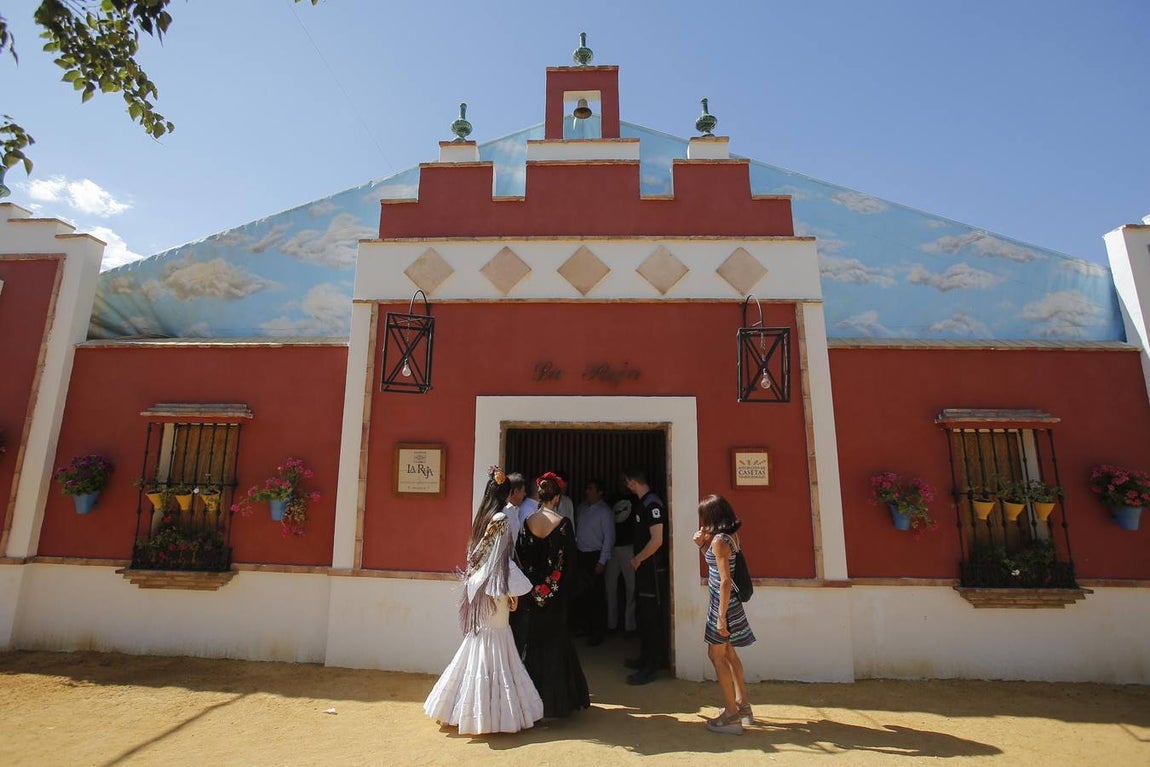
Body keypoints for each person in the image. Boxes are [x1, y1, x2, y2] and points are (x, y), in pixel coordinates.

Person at [423, 467, 544, 734]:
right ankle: (493, 714)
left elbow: (477, 557)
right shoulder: (500, 518)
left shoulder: (484, 517)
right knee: (496, 643)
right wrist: (508, 590)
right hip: (494, 590)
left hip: (481, 588)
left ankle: (459, 709)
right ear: (506, 493)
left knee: (479, 644)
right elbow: (495, 559)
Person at [516, 471, 590, 718]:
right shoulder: (563, 525)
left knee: (533, 643)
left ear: (539, 494)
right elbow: (569, 565)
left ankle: (530, 700)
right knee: (556, 643)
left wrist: (533, 587)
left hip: (532, 593)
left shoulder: (527, 523)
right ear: (557, 498)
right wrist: (557, 588)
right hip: (555, 597)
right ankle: (557, 702)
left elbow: (520, 558)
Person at [694, 494, 756, 735]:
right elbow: (717, 566)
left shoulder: (719, 540)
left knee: (716, 655)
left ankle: (731, 715)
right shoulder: (730, 536)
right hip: (730, 605)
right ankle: (742, 705)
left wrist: (721, 616)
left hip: (722, 606)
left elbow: (725, 580)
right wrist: (701, 545)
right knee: (729, 653)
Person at [623, 466, 668, 686]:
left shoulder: (652, 504)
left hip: (652, 571)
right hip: (644, 571)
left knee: (651, 619)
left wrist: (638, 558)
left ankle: (651, 667)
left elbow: (657, 539)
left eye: (627, 481)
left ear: (633, 481)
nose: (626, 485)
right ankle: (645, 660)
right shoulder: (644, 503)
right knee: (643, 614)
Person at [573, 478, 614, 646]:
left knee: (596, 596)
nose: (587, 491)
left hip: (595, 557)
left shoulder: (605, 512)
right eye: (587, 488)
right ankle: (585, 627)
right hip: (581, 555)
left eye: (591, 489)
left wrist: (602, 561)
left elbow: (609, 538)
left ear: (600, 493)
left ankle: (598, 632)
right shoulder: (582, 508)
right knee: (582, 594)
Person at [605, 475, 637, 634]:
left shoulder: (635, 499)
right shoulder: (611, 500)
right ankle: (612, 625)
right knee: (610, 587)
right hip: (612, 547)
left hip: (628, 548)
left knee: (631, 588)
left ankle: (629, 626)